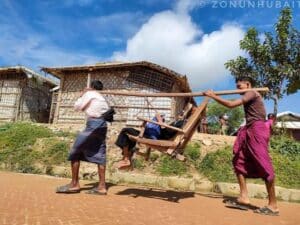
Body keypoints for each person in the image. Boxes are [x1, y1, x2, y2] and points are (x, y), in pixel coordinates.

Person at [204, 76, 279, 216]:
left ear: (248, 84)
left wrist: (213, 95)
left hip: (257, 130)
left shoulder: (252, 92)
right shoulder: (248, 93)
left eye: (239, 86)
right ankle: (244, 197)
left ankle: (273, 205)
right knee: (239, 160)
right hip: (249, 129)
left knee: (264, 165)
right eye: (237, 86)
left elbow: (231, 105)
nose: (238, 89)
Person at [56, 80, 110, 195]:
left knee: (75, 152)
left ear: (91, 87)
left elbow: (77, 107)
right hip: (103, 125)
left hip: (93, 124)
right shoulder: (101, 98)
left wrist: (82, 94)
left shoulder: (90, 94)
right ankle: (102, 186)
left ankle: (74, 184)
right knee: (100, 153)